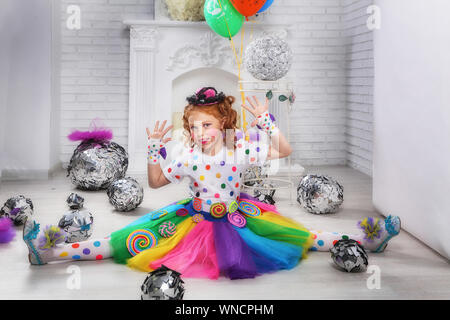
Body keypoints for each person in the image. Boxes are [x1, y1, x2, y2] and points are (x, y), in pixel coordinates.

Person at [23, 87, 401, 280]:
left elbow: (283, 148)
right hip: (194, 219)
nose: (199, 132)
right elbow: (154, 184)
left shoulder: (239, 148)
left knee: (305, 236)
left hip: (241, 218)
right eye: (192, 126)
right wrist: (154, 148)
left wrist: (267, 121)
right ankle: (52, 252)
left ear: (223, 122)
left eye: (206, 124)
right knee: (124, 241)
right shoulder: (186, 154)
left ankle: (368, 241)